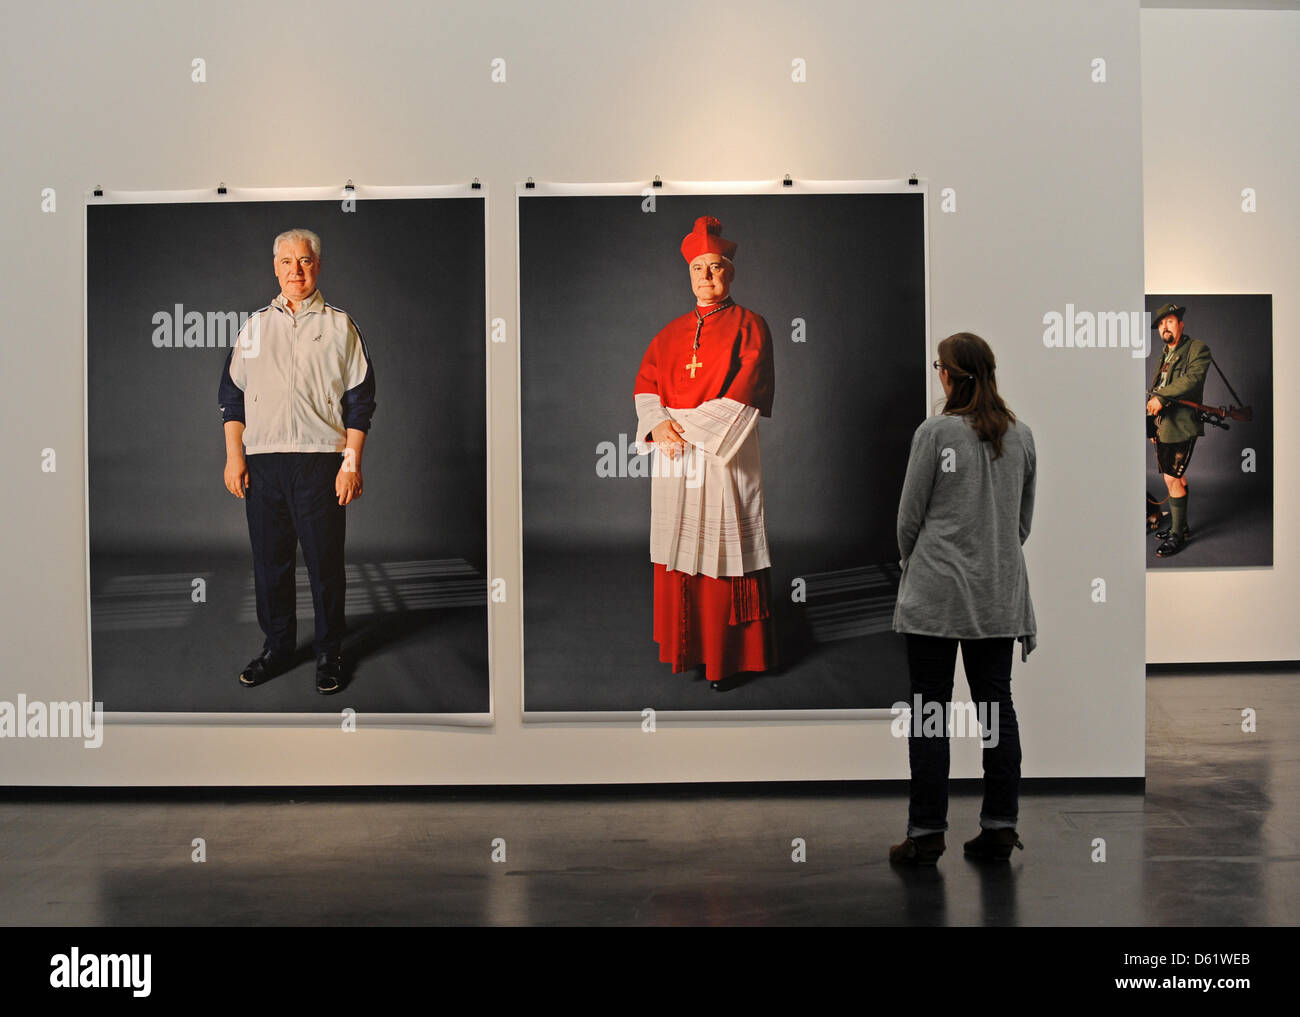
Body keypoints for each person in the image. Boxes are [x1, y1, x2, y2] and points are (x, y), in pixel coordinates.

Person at [889, 332, 1035, 865]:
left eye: (939, 368)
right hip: (998, 596)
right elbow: (1020, 525)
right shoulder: (1021, 437)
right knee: (996, 710)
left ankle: (926, 834)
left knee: (931, 711)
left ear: (948, 375)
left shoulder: (935, 434)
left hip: (936, 597)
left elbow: (908, 521)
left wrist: (922, 561)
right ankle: (999, 826)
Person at [217, 228, 376, 695]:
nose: (296, 270)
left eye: (304, 261)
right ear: (275, 267)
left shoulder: (340, 326)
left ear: (317, 266)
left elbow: (360, 401)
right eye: (286, 262)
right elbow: (231, 396)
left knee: (325, 565)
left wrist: (351, 463)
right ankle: (278, 647)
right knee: (270, 563)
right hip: (264, 465)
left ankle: (330, 652)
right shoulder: (253, 327)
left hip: (319, 464)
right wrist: (234, 458)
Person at [632, 216, 775, 691]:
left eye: (716, 268)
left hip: (722, 457)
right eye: (699, 269)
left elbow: (746, 391)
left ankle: (726, 658)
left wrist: (680, 428)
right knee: (681, 549)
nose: (707, 277)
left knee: (720, 552)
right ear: (688, 275)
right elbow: (647, 385)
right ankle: (686, 649)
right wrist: (658, 423)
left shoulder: (751, 325)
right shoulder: (669, 333)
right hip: (677, 461)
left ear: (730, 272)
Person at [1146, 302, 1211, 558]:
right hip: (1164, 427)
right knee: (1174, 478)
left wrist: (1161, 398)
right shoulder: (1164, 355)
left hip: (1182, 424)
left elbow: (1192, 379)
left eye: (1169, 321)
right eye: (1161, 324)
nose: (1165, 327)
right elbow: (1152, 390)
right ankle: (1180, 527)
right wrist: (1151, 427)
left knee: (1172, 478)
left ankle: (1177, 536)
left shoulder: (1196, 348)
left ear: (1181, 324)